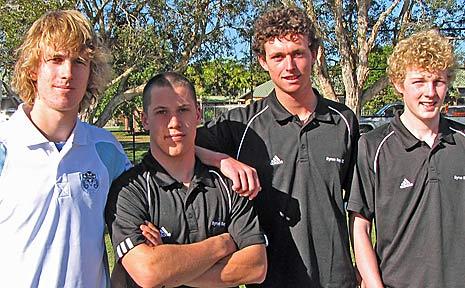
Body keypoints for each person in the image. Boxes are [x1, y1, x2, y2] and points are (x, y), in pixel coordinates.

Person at [196, 6, 358, 287]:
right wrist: (223, 160)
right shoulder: (242, 124)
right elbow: (178, 145)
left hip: (337, 278)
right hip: (270, 279)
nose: (290, 66)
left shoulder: (343, 121)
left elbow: (359, 208)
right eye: (278, 57)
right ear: (263, 61)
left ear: (315, 54)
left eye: (298, 53)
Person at [0, 10, 132, 287]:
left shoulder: (107, 151)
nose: (68, 73)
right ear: (33, 68)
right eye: (56, 60)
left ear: (91, 73)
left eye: (79, 62)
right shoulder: (5, 147)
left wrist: (211, 156)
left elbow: (142, 219)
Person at [105, 72, 267, 288]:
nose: (175, 122)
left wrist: (170, 268)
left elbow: (256, 266)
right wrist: (223, 244)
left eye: (183, 110)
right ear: (145, 120)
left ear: (198, 114)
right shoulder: (130, 190)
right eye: (161, 112)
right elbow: (148, 272)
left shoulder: (227, 185)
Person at [348, 30, 463, 287]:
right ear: (400, 84)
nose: (430, 92)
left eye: (438, 82)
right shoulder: (372, 146)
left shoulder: (462, 141)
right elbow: (360, 226)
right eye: (419, 82)